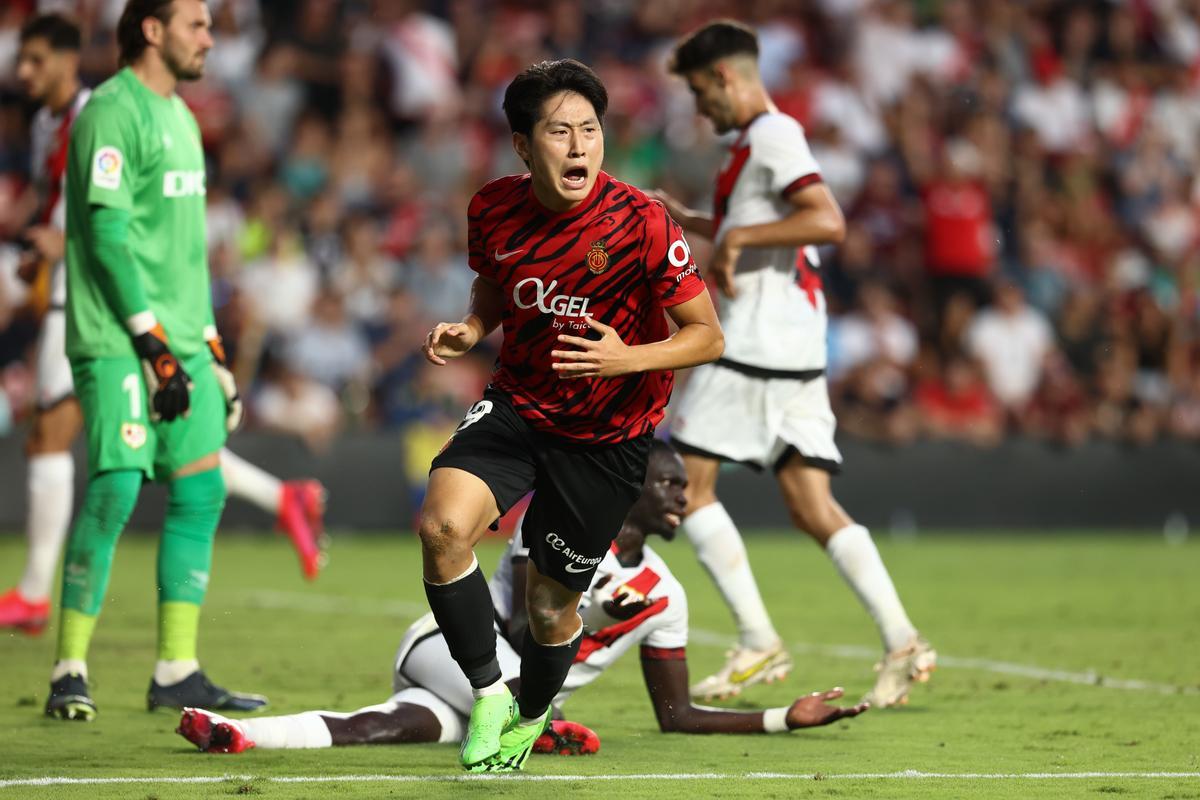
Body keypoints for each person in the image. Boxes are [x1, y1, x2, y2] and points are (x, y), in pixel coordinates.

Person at [417, 59, 723, 772]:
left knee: (552, 609)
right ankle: (489, 691)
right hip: (518, 406)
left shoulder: (642, 223)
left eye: (590, 130)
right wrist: (470, 327)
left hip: (606, 438)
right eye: (561, 131)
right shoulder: (492, 207)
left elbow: (708, 336)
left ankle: (531, 712)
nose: (581, 145)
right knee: (440, 528)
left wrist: (626, 359)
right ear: (524, 147)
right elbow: (496, 282)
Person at [176, 442, 867, 754]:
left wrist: (781, 719)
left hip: (497, 704)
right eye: (671, 486)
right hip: (455, 653)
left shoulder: (668, 596)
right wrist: (591, 616)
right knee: (509, 694)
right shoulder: (550, 534)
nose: (685, 498)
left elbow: (676, 714)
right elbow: (503, 623)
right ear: (631, 489)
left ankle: (235, 734)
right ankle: (534, 727)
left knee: (380, 731)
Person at [0, 12, 327, 637]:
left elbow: (122, 229)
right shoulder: (72, 119)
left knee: (93, 454)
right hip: (105, 312)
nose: (23, 73)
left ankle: (49, 598)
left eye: (37, 60)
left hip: (108, 309)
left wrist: (188, 337)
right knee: (131, 460)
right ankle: (283, 498)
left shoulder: (118, 113)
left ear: (71, 61)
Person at [654, 21, 935, 708]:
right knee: (812, 504)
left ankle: (757, 638)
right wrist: (694, 219)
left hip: (755, 341)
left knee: (686, 487)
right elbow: (773, 232)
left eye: (698, 91)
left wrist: (740, 234)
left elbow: (826, 219)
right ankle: (903, 640)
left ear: (725, 76)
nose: (698, 108)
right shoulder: (754, 147)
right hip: (798, 348)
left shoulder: (774, 136)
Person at [43, 0, 267, 721]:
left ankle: (177, 669)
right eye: (197, 24)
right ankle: (68, 668)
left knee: (201, 491)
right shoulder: (111, 111)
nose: (209, 37)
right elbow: (107, 239)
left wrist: (210, 350)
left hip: (179, 341)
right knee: (115, 487)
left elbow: (184, 255)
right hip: (118, 336)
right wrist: (148, 342)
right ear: (152, 28)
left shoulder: (182, 119)